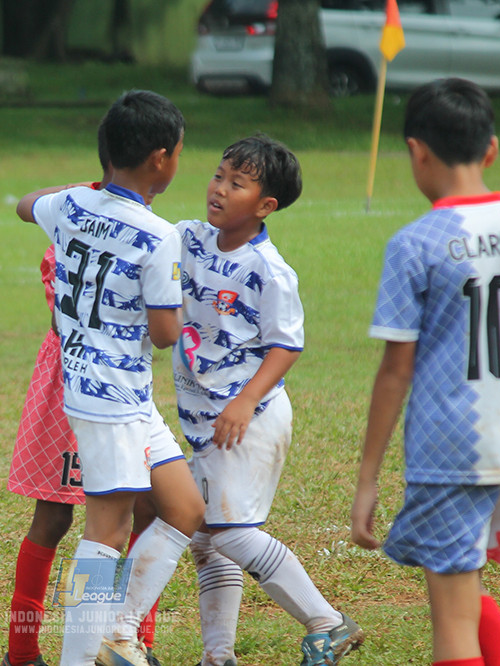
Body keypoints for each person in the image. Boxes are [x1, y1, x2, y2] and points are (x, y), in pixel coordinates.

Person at [350, 77, 500, 666]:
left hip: (449, 448)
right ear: (492, 149)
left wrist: (368, 475)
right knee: (463, 586)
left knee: (451, 617)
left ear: (416, 152)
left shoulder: (416, 242)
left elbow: (394, 370)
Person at [16, 89, 205, 666]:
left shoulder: (69, 205)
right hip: (109, 399)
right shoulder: (158, 233)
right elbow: (168, 332)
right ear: (160, 159)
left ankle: (119, 632)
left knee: (185, 509)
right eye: (178, 153)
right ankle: (82, 657)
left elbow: (26, 204)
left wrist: (79, 193)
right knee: (106, 532)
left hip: (113, 393)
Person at [173, 133, 363, 666]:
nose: (218, 189)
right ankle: (218, 655)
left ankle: (329, 622)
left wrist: (243, 400)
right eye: (217, 174)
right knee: (207, 538)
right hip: (207, 420)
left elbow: (287, 344)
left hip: (249, 419)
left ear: (264, 206)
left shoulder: (269, 269)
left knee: (231, 533)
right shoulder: (191, 238)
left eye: (237, 183)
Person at [4, 130, 164, 666]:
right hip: (75, 386)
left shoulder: (129, 227)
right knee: (59, 521)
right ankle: (22, 652)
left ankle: (135, 639)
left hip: (120, 390)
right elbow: (63, 316)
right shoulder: (73, 234)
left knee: (147, 510)